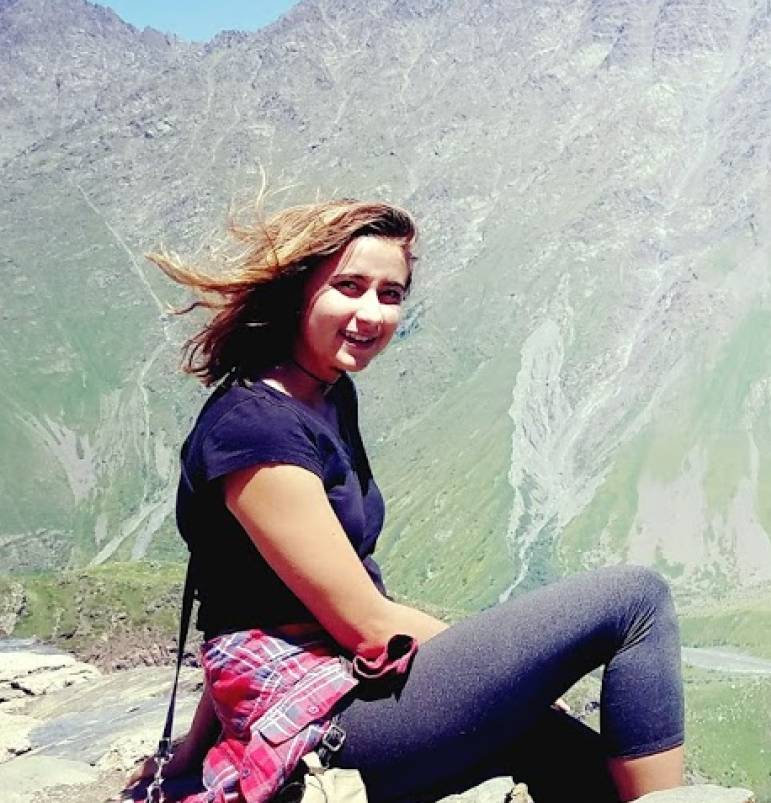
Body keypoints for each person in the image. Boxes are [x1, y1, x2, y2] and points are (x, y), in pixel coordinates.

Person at [137, 198, 684, 803]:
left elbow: (243, 597)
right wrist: (510, 667)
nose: (370, 313)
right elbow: (366, 625)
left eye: (390, 294)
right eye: (348, 287)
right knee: (636, 599)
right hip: (325, 725)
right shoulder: (257, 431)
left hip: (341, 691)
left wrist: (189, 756)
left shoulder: (324, 395)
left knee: (590, 772)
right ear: (298, 291)